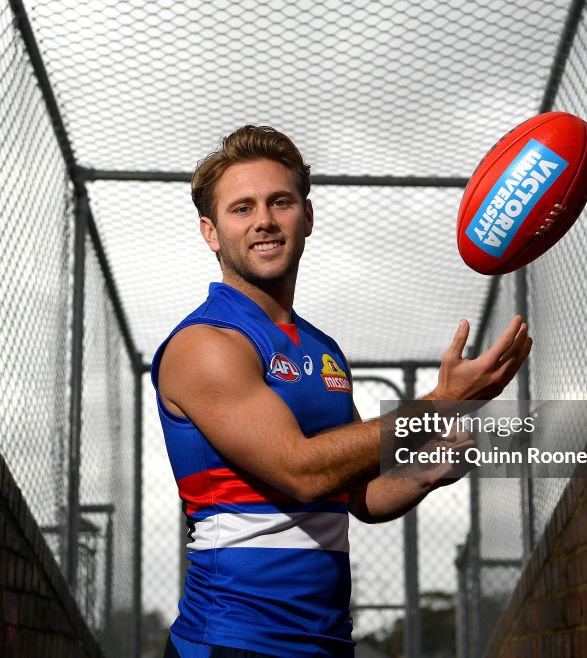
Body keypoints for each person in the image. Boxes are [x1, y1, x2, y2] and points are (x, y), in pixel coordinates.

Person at [151, 125, 531, 658]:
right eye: (242, 209)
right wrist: (440, 402)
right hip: (234, 643)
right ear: (211, 233)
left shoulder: (322, 350)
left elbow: (358, 494)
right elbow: (302, 472)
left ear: (306, 217)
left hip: (326, 645)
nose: (264, 220)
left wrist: (430, 468)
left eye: (279, 202)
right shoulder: (206, 345)